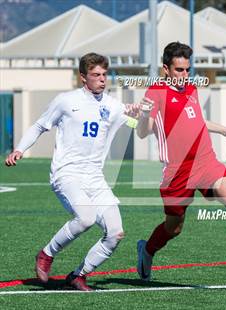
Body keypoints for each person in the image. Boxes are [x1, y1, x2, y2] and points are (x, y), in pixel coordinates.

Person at [129, 42, 226, 284]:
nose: (184, 75)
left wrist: (224, 130)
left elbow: (197, 120)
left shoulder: (191, 88)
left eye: (187, 70)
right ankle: (147, 251)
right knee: (174, 228)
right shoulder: (155, 91)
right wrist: (142, 115)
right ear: (166, 69)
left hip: (205, 161)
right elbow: (143, 132)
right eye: (179, 70)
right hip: (177, 171)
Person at [5, 53, 136, 291]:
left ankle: (79, 275)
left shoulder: (113, 105)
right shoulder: (65, 101)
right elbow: (39, 126)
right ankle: (46, 254)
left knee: (115, 233)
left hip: (95, 178)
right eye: (96, 75)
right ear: (83, 77)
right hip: (67, 174)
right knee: (85, 218)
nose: (102, 80)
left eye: (105, 75)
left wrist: (141, 115)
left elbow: (137, 124)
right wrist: (20, 149)